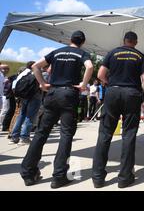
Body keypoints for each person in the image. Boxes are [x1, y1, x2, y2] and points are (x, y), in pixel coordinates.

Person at [20, 30, 93, 188]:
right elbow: (90, 67)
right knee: (66, 134)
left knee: (41, 133)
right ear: (83, 42)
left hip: (52, 93)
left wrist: (42, 84)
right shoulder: (81, 53)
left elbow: (35, 66)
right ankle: (59, 176)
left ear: (71, 39)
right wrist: (83, 84)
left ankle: (28, 172)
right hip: (68, 94)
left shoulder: (57, 52)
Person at [92, 31, 144, 189]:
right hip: (132, 94)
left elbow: (100, 74)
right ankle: (125, 178)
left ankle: (98, 178)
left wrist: (109, 84)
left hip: (113, 92)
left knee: (105, 134)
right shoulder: (139, 56)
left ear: (124, 40)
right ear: (136, 42)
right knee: (129, 134)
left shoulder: (113, 53)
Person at [9, 62, 41, 145]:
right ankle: (24, 137)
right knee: (30, 117)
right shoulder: (36, 73)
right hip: (35, 97)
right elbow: (41, 86)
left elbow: (15, 86)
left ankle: (14, 137)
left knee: (21, 116)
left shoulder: (23, 73)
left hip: (23, 97)